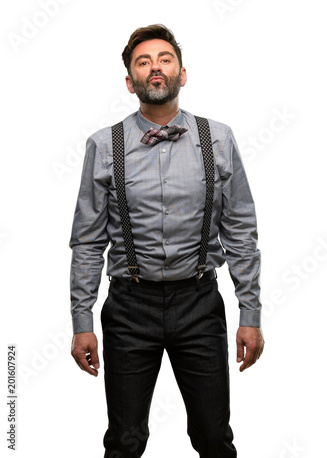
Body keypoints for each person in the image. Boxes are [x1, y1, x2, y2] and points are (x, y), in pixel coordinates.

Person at [68, 24, 264, 457]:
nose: (155, 67)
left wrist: (250, 314)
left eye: (165, 59)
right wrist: (82, 323)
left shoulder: (218, 138)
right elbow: (87, 242)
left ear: (182, 73)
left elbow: (241, 231)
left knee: (214, 438)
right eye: (144, 62)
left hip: (199, 303)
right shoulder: (104, 145)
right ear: (130, 81)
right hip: (128, 308)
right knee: (125, 442)